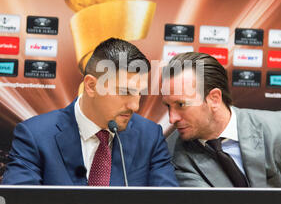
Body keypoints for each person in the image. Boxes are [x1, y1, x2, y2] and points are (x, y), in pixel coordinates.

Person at [2, 37, 178, 186]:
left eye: (139, 93)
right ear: (91, 86)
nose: (135, 106)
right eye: (125, 92)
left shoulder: (150, 136)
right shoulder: (35, 135)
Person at [162, 52, 281, 188]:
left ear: (214, 98)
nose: (172, 118)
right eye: (168, 106)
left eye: (181, 104)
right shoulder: (171, 154)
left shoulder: (279, 128)